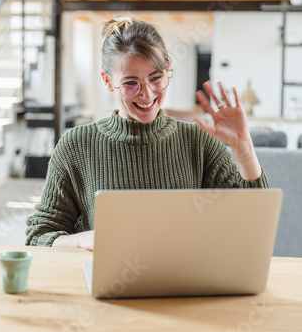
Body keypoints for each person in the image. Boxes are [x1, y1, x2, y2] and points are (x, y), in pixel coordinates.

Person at [25, 15, 270, 250]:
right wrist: (82, 240)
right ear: (108, 80)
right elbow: (39, 235)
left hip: (185, 282)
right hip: (108, 286)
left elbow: (253, 224)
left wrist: (243, 148)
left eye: (156, 78)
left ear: (167, 70)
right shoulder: (76, 145)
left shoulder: (198, 143)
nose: (147, 94)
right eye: (131, 83)